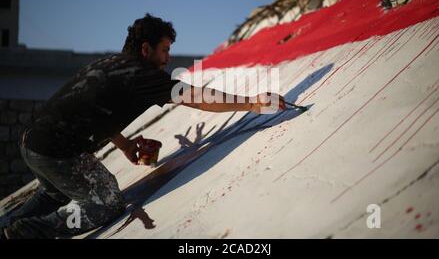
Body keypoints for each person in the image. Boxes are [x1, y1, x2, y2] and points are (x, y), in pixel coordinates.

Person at [0, 13, 286, 239]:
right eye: (164, 50)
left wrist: (124, 145)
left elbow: (91, 108)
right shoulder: (142, 75)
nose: (168, 58)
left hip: (32, 142)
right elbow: (196, 97)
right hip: (57, 151)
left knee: (55, 192)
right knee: (108, 200)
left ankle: (10, 225)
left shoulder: (108, 64)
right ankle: (29, 233)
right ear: (146, 48)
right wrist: (252, 102)